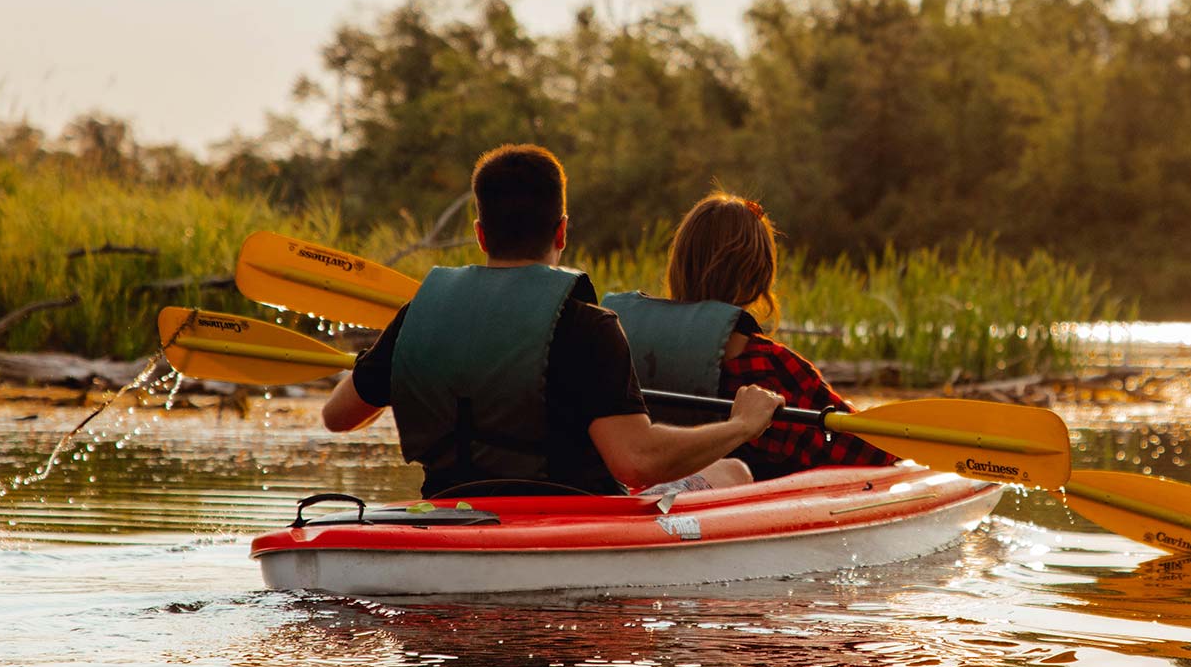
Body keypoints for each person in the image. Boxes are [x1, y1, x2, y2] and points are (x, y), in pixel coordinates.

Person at [321, 145, 782, 497]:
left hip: (451, 506)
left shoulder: (418, 317)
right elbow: (636, 463)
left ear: (481, 235)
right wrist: (741, 425)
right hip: (569, 516)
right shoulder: (589, 327)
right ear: (562, 229)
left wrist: (401, 360)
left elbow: (338, 415)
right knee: (734, 470)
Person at [600, 191, 895, 482]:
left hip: (628, 495)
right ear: (760, 274)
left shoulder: (615, 343)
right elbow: (872, 454)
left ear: (679, 263)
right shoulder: (772, 367)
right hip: (723, 505)